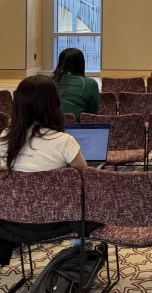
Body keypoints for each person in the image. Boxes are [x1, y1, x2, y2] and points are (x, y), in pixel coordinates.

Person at [0, 75, 94, 266]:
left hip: (10, 223)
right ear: (54, 104)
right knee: (89, 200)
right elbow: (88, 181)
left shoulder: (3, 139)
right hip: (57, 222)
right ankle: (82, 257)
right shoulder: (63, 141)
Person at [53, 48, 99, 121]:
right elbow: (93, 114)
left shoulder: (49, 81)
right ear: (81, 64)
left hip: (50, 125)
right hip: (77, 127)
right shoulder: (90, 83)